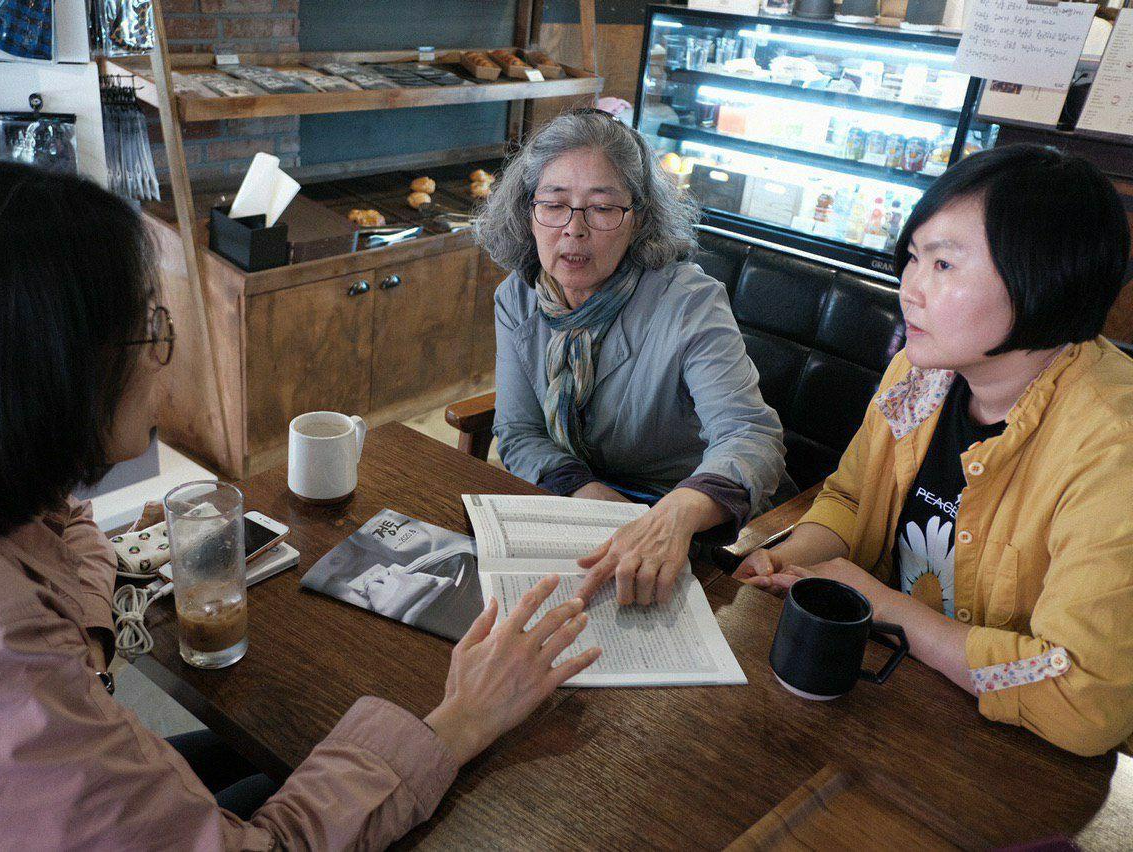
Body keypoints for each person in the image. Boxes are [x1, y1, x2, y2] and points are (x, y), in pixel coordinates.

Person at [0, 160, 601, 848]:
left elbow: (69, 527)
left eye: (600, 208)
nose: (161, 358)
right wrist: (459, 722)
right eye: (150, 328)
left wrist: (78, 650)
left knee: (273, 764)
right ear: (42, 369)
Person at [734, 144, 1133, 756]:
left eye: (944, 266)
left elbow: (1082, 696)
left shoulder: (1113, 446)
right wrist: (787, 560)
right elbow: (849, 496)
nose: (910, 290)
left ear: (1044, 279)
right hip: (889, 706)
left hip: (1012, 760)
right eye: (914, 257)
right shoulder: (922, 374)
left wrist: (881, 605)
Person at [475, 110, 788, 608]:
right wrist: (588, 494)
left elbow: (751, 437)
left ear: (638, 218)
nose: (573, 231)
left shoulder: (688, 302)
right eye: (554, 205)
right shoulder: (518, 298)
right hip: (579, 510)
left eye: (601, 209)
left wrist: (673, 515)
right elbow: (520, 432)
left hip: (686, 521)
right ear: (526, 211)